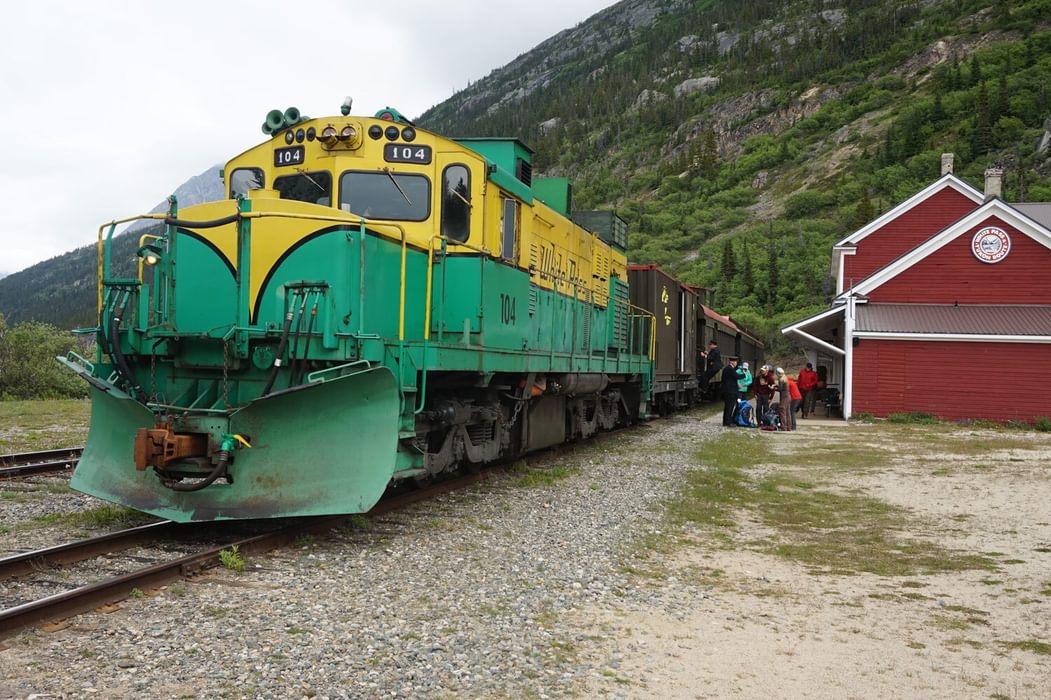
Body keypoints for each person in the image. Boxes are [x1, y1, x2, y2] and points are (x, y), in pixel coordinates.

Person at [721, 356, 740, 426]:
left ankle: (725, 421)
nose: (736, 363)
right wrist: (744, 374)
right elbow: (737, 376)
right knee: (729, 407)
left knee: (727, 407)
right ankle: (727, 422)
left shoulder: (727, 369)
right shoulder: (730, 369)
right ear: (732, 362)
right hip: (730, 391)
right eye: (735, 362)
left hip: (727, 391)